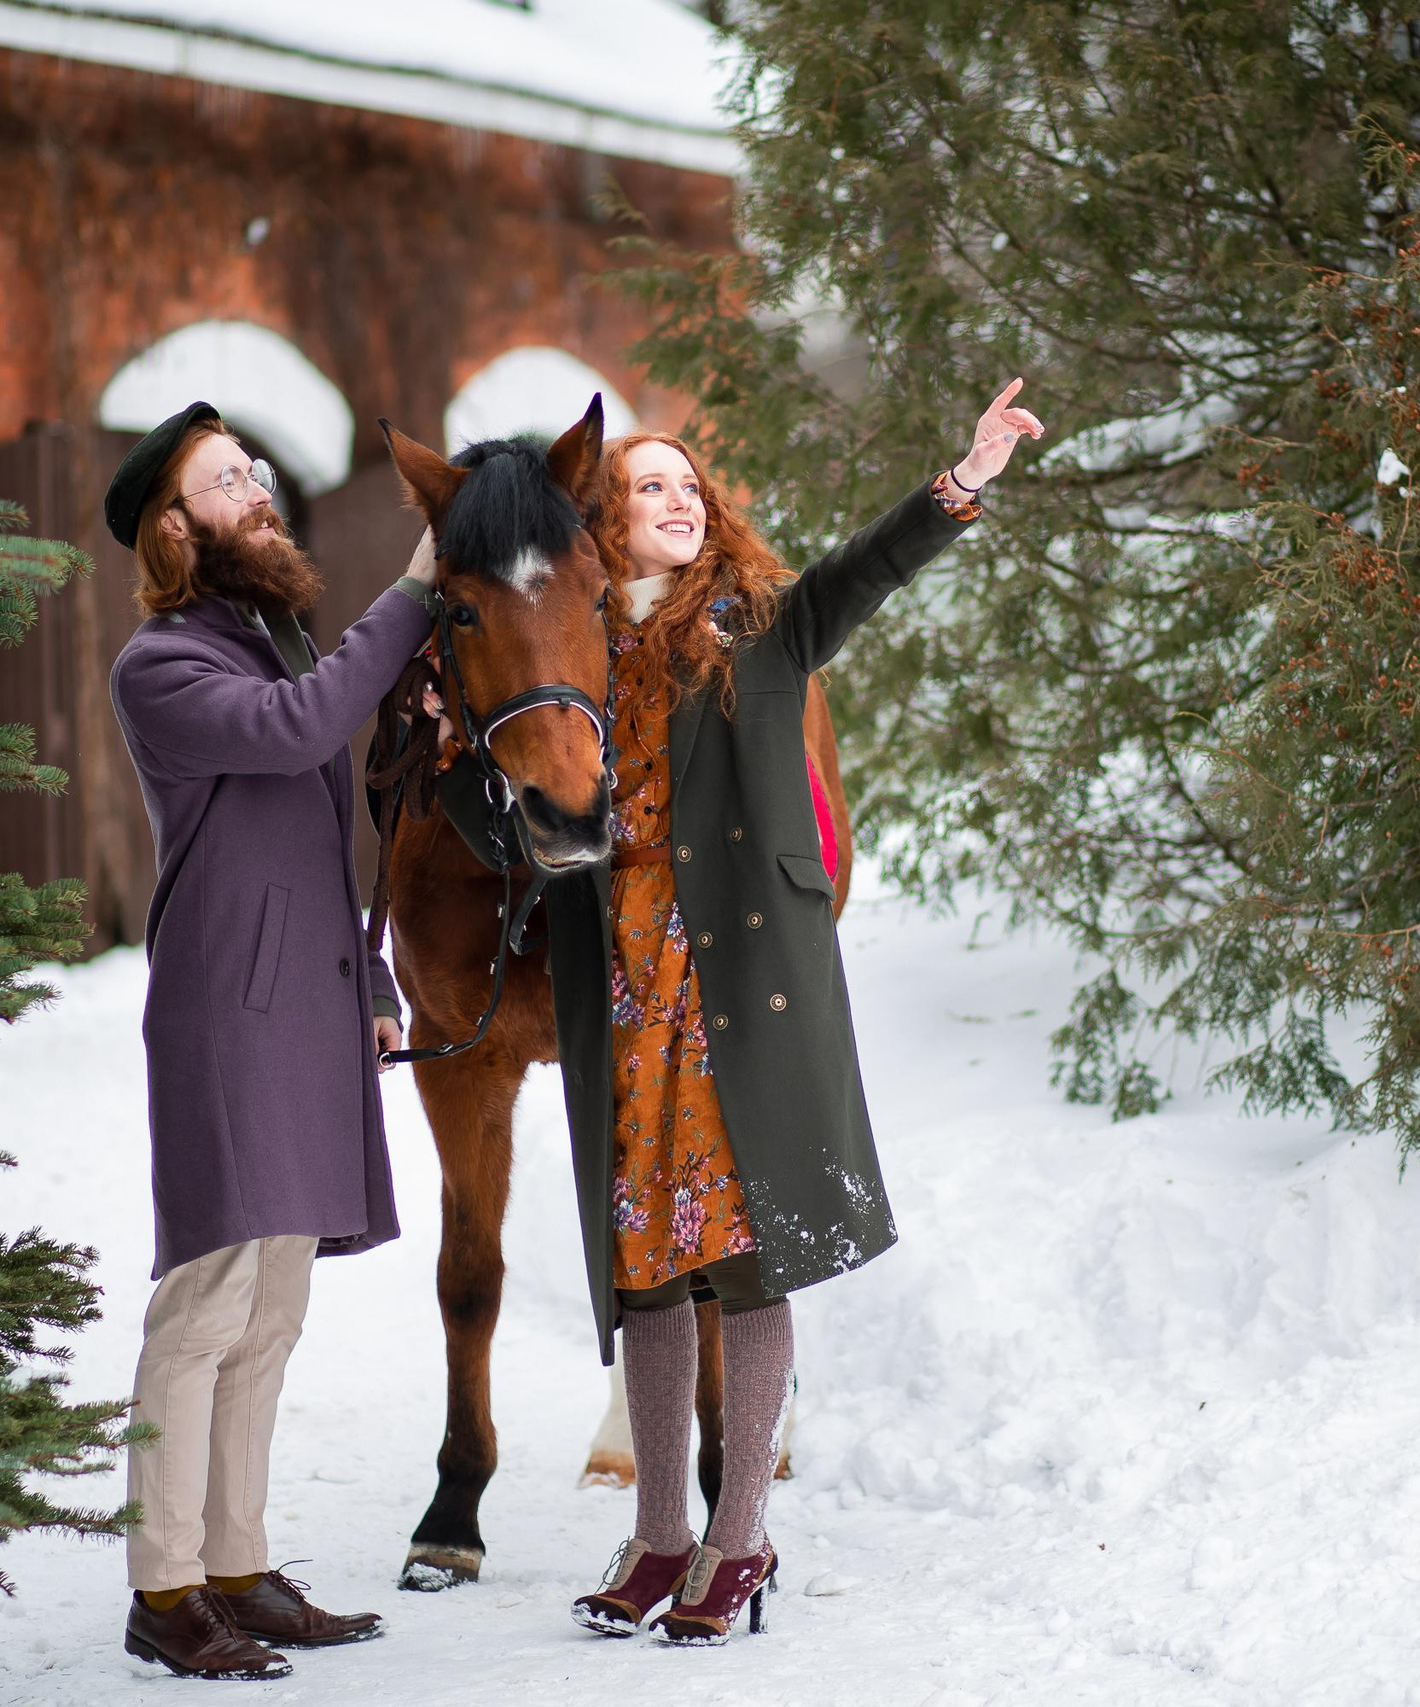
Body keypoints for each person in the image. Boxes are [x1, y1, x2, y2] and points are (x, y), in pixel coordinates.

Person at [558, 381, 1046, 1645]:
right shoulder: (574, 649)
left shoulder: (758, 624)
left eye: (683, 483)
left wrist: (962, 478)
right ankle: (660, 1532)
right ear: (604, 525)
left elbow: (860, 574)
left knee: (742, 1248)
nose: (672, 499)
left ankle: (739, 1540)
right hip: (622, 987)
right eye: (640, 486)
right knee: (646, 1267)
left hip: (733, 985)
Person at [103, 402, 436, 1681]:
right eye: (226, 479)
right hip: (221, 1013)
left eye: (255, 468)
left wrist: (375, 980)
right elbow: (301, 730)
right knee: (205, 1305)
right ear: (174, 526)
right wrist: (407, 596)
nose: (259, 488)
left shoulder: (265, 638)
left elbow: (319, 838)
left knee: (273, 1309)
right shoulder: (165, 664)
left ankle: (233, 1566)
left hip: (302, 1003)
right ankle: (161, 1586)